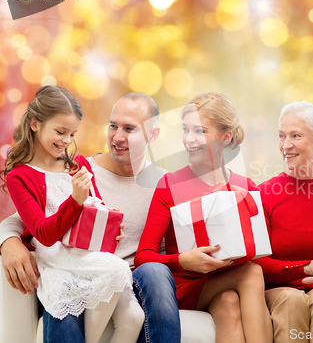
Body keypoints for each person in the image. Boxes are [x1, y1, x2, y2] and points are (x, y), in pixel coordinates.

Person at [0, 91, 181, 343]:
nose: (118, 137)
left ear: (153, 135)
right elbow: (27, 220)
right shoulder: (82, 168)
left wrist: (111, 225)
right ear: (35, 124)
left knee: (145, 291)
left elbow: (97, 210)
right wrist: (7, 241)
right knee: (72, 293)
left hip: (126, 274)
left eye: (129, 129)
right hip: (71, 262)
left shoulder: (166, 182)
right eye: (113, 126)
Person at [135, 92, 273, 343]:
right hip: (185, 286)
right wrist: (183, 261)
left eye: (200, 131)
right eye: (186, 130)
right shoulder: (170, 184)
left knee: (229, 302)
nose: (189, 139)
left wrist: (303, 268)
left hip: (224, 285)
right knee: (251, 274)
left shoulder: (246, 187)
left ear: (226, 136)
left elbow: (261, 254)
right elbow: (143, 256)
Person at [254, 101, 313, 343]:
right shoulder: (264, 193)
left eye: (296, 135)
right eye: (282, 136)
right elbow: (256, 264)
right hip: (280, 291)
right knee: (292, 300)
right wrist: (306, 268)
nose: (286, 145)